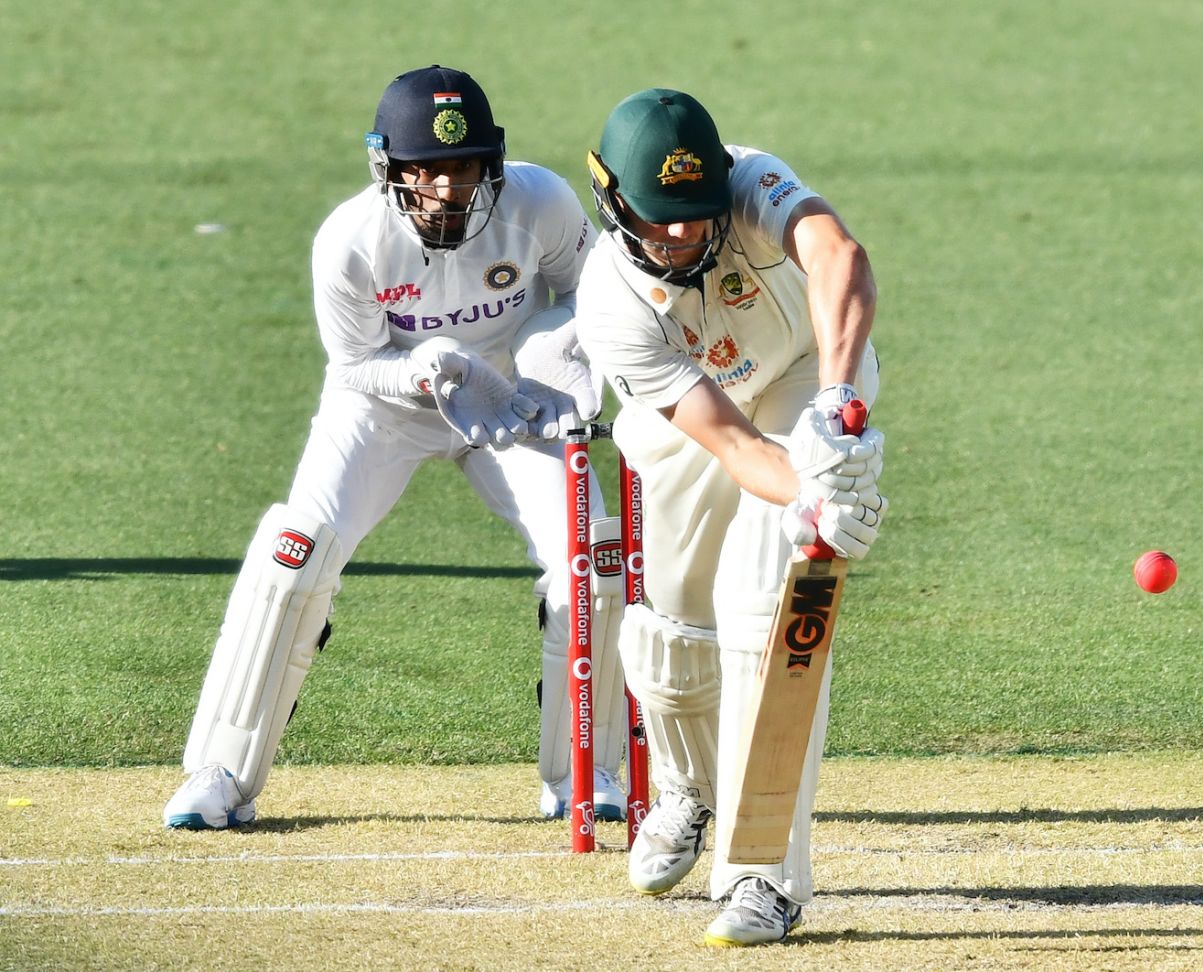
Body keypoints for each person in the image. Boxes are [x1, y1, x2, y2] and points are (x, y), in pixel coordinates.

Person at [163, 65, 630, 830]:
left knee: (588, 564)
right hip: (385, 404)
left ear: (493, 164)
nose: (450, 188)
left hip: (511, 403)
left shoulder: (541, 202)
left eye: (466, 167)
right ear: (390, 169)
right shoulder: (349, 241)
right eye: (431, 170)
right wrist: (421, 372)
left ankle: (589, 770)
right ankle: (220, 773)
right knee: (297, 550)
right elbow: (352, 365)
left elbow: (599, 291)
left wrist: (549, 355)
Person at [574, 88, 887, 946]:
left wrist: (833, 404)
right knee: (675, 630)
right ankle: (687, 790)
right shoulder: (609, 302)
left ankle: (764, 878)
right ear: (612, 199)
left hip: (798, 380)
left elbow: (839, 256)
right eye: (659, 218)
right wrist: (817, 495)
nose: (681, 234)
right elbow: (736, 449)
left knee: (762, 604)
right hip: (695, 421)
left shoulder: (750, 183)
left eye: (695, 213)